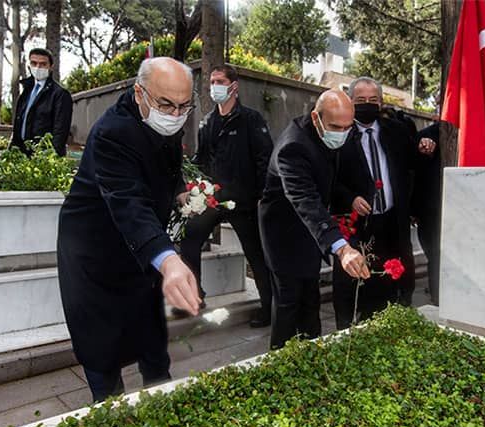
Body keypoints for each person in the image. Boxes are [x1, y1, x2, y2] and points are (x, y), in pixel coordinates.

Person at [57, 57, 200, 403]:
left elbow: (166, 162)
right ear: (139, 93)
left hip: (141, 249)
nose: (175, 113)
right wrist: (168, 260)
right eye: (166, 104)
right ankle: (110, 411)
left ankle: (160, 396)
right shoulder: (112, 132)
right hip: (97, 248)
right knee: (102, 345)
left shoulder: (166, 116)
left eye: (184, 106)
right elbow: (127, 201)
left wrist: (179, 188)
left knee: (151, 335)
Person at [259, 89, 370, 349]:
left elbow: (331, 178)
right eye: (335, 126)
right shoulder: (293, 147)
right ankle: (279, 361)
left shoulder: (337, 132)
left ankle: (312, 351)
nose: (342, 133)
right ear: (316, 118)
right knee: (289, 299)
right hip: (284, 231)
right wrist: (342, 248)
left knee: (310, 295)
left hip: (313, 230)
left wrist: (351, 197)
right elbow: (304, 198)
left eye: (347, 126)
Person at [177, 64, 273, 328]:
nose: (215, 86)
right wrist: (191, 185)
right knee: (189, 240)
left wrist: (262, 196)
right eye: (212, 82)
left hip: (245, 202)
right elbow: (201, 160)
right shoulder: (208, 122)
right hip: (214, 200)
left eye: (220, 81)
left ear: (234, 86)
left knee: (256, 254)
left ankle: (269, 308)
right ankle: (195, 296)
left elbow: (265, 159)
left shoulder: (251, 120)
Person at [331, 77, 416, 329]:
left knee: (385, 281)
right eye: (360, 101)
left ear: (381, 102)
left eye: (373, 100)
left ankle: (380, 326)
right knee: (351, 284)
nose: (367, 105)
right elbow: (327, 178)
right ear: (350, 103)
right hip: (355, 225)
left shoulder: (396, 132)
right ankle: (345, 331)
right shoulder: (339, 133)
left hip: (390, 221)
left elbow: (410, 169)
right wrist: (349, 198)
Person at [11, 48, 73, 156]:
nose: (38, 67)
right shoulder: (26, 91)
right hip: (22, 153)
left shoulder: (60, 94)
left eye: (43, 64)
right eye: (34, 63)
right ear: (29, 65)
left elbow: (61, 131)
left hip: (43, 156)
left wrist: (52, 157)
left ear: (50, 66)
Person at [412, 122, 441, 305]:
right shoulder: (427, 136)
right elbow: (414, 174)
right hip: (431, 213)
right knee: (436, 257)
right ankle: (437, 299)